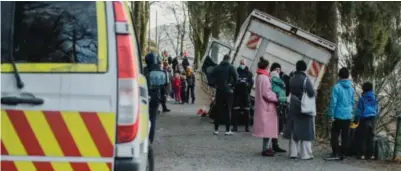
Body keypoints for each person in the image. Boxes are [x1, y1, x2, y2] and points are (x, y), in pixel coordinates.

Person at [283, 60, 315, 160]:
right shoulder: (306, 79)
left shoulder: (291, 79)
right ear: (304, 68)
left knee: (294, 129)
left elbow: (288, 91)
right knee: (306, 130)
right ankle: (306, 154)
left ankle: (293, 153)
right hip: (304, 107)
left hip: (293, 106)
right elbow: (311, 93)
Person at [325, 67, 355, 161]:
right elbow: (352, 102)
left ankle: (335, 152)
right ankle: (343, 153)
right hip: (348, 115)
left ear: (339, 76)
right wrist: (351, 113)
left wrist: (331, 114)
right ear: (348, 76)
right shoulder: (351, 88)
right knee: (345, 135)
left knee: (334, 134)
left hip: (338, 115)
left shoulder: (337, 87)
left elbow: (333, 102)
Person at [252, 57, 279, 157]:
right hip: (267, 106)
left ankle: (267, 148)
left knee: (267, 129)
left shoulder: (259, 76)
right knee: (269, 129)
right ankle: (266, 149)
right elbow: (267, 93)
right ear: (266, 67)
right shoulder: (264, 77)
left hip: (262, 106)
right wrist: (276, 97)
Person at [211, 54, 238, 135]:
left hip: (219, 91)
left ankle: (216, 130)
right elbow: (236, 78)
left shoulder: (217, 67)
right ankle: (227, 130)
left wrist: (216, 84)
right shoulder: (231, 67)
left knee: (218, 110)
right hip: (228, 91)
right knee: (228, 110)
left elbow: (211, 76)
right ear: (229, 59)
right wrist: (232, 86)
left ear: (223, 59)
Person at [144, 52, 166, 143]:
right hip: (156, 98)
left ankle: (143, 137)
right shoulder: (161, 72)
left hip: (144, 97)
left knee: (143, 118)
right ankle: (150, 139)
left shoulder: (144, 70)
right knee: (152, 119)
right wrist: (162, 100)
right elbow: (164, 87)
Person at [354, 82, 378, 160]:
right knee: (371, 136)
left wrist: (356, 119)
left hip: (364, 119)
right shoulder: (374, 98)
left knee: (363, 137)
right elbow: (377, 109)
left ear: (363, 89)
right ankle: (371, 155)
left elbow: (359, 110)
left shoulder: (362, 99)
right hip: (373, 118)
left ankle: (362, 154)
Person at [269, 63, 287, 153]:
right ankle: (270, 146)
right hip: (273, 104)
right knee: (272, 126)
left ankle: (275, 144)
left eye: (279, 69)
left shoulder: (278, 78)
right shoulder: (272, 78)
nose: (278, 71)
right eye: (276, 69)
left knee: (277, 126)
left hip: (279, 104)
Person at [232, 59, 253, 132]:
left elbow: (251, 83)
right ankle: (235, 127)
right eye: (241, 63)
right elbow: (232, 81)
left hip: (245, 94)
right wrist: (236, 84)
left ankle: (247, 128)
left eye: (243, 63)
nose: (242, 64)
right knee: (235, 111)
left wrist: (248, 85)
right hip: (237, 94)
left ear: (246, 64)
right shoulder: (236, 71)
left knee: (247, 111)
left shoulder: (249, 73)